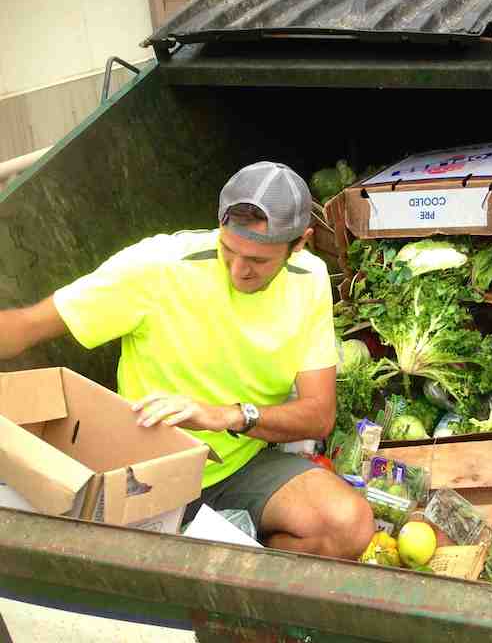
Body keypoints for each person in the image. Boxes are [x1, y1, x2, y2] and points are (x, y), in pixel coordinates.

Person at [0, 162, 374, 558]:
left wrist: (229, 416)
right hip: (147, 473)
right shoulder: (157, 267)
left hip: (239, 468)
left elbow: (319, 415)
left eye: (258, 261)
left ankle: (240, 579)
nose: (237, 270)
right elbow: (28, 325)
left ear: (299, 243)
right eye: (228, 250)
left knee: (349, 525)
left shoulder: (309, 278)